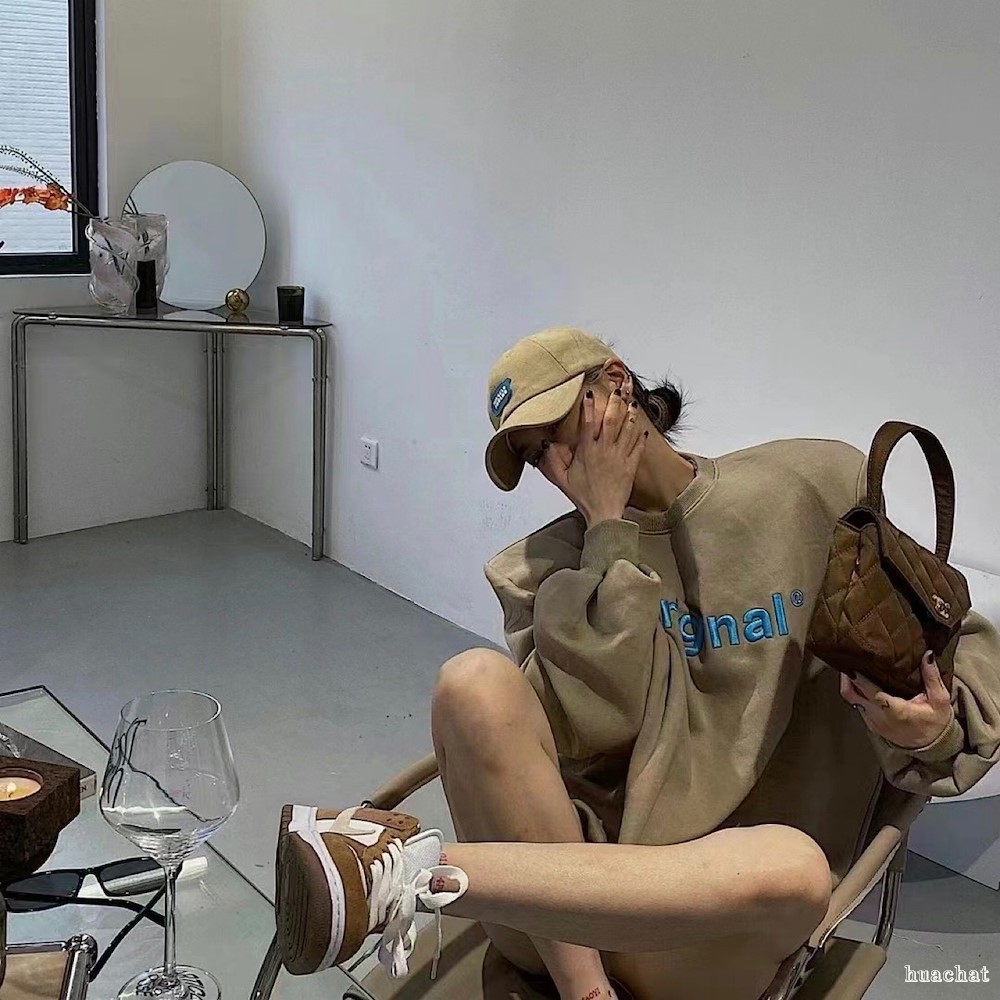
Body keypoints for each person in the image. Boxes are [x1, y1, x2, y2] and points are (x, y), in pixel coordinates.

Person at [274, 328, 1000, 1000]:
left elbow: (953, 635)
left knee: (796, 866)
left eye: (557, 430)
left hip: (716, 926)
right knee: (471, 682)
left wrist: (931, 729)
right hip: (561, 921)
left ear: (618, 385)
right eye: (534, 455)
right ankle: (573, 984)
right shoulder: (542, 568)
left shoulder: (810, 487)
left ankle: (406, 870)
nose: (556, 466)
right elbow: (600, 723)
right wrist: (608, 533)